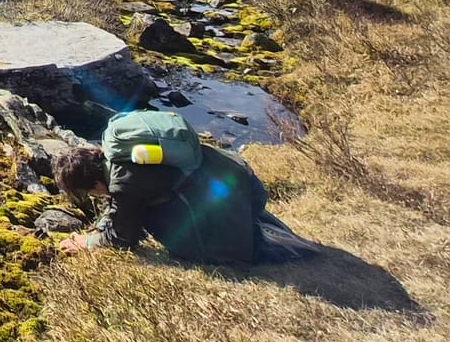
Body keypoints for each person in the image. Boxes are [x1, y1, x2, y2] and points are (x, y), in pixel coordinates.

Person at [51, 108, 308, 264]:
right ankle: (251, 227)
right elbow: (118, 207)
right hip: (236, 174)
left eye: (91, 192)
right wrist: (99, 228)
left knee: (216, 253)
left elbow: (122, 237)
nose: (95, 195)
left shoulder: (124, 183)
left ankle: (258, 240)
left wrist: (86, 241)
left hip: (230, 198)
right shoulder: (115, 153)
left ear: (96, 183)